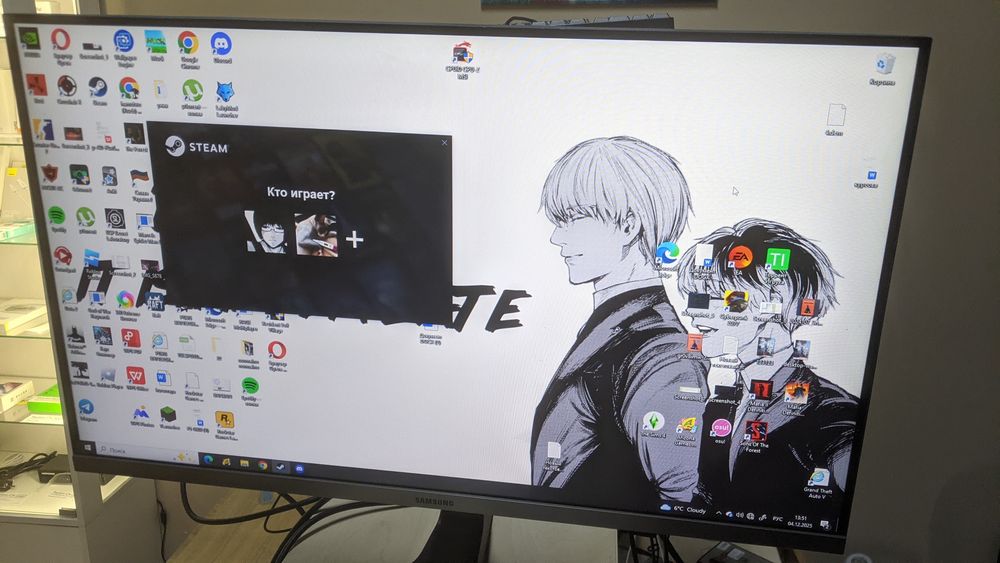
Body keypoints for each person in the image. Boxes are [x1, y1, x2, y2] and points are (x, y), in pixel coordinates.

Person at [531, 136, 709, 512]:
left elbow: (679, 498)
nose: (556, 237)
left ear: (628, 226)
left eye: (572, 219)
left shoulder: (660, 350)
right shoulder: (620, 325)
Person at [675, 218, 858, 518]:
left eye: (712, 297)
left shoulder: (831, 411)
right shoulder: (720, 404)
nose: (691, 311)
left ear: (772, 301)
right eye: (695, 297)